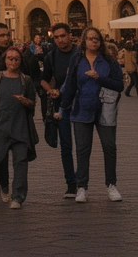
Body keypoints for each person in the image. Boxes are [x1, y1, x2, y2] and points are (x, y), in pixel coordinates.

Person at [60, 26, 124, 203]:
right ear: (84, 41)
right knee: (82, 149)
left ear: (100, 41)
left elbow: (119, 85)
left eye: (97, 38)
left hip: (105, 109)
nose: (94, 41)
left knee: (109, 147)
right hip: (82, 109)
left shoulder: (109, 61)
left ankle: (111, 185)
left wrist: (99, 78)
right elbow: (70, 85)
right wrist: (63, 108)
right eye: (90, 38)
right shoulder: (77, 60)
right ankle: (82, 187)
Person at [0, 46, 38, 209]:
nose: (13, 62)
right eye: (10, 58)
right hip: (0, 125)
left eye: (16, 59)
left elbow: (33, 103)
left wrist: (26, 101)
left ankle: (18, 197)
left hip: (20, 127)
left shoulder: (26, 80)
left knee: (20, 162)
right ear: (5, 60)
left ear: (21, 61)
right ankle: (4, 185)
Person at [40, 22, 78, 199]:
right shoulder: (51, 56)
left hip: (81, 104)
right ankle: (71, 183)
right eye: (56, 37)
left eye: (63, 36)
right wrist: (51, 90)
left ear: (70, 35)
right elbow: (43, 79)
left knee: (82, 145)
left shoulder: (80, 53)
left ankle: (82, 182)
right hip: (61, 105)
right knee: (66, 145)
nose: (60, 40)